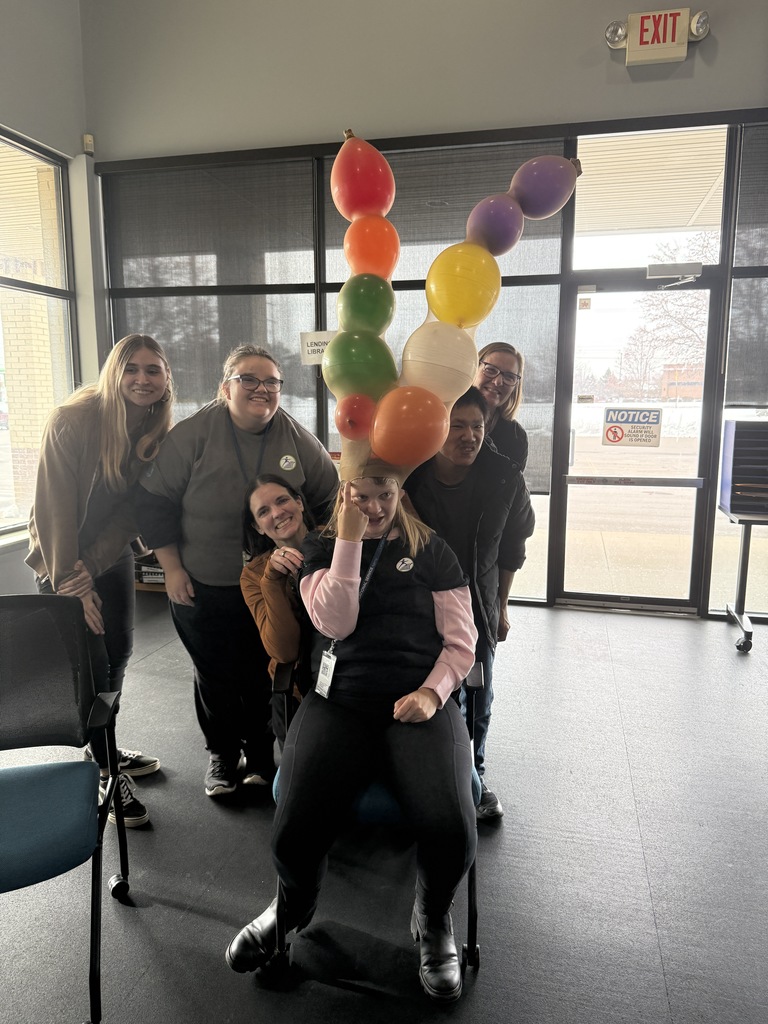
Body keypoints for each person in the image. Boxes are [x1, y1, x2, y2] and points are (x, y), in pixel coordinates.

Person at [225, 475, 478, 1003]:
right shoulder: (320, 546)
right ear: (343, 497)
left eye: (385, 493)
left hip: (418, 703)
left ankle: (432, 919)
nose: (375, 506)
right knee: (292, 825)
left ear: (401, 492)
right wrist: (348, 540)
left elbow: (461, 643)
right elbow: (336, 623)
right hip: (338, 702)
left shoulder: (431, 548)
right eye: (360, 495)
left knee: (450, 822)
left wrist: (432, 694)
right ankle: (292, 905)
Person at [136, 344, 338, 798]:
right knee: (215, 672)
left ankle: (263, 755)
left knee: (264, 670)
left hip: (275, 584)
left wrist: (315, 556)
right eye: (248, 379)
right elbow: (152, 502)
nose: (261, 389)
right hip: (202, 581)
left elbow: (328, 498)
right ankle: (223, 755)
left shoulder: (296, 438)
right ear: (224, 387)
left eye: (271, 382)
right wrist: (170, 568)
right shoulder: (193, 435)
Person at [26, 333, 173, 827]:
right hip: (60, 558)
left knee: (119, 653)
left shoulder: (155, 428)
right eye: (132, 368)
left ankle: (103, 746)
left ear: (166, 379)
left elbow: (132, 512)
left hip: (106, 558)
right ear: (114, 371)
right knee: (90, 665)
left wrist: (96, 564)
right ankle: (106, 771)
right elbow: (54, 508)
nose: (142, 378)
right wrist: (74, 581)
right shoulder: (74, 419)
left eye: (153, 370)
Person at [406, 387, 535, 820]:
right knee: (430, 693)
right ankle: (430, 777)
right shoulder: (410, 477)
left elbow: (514, 546)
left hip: (477, 608)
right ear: (436, 427)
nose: (469, 436)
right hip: (421, 611)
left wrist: (501, 607)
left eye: (477, 426)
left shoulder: (504, 477)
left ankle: (474, 779)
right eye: (456, 425)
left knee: (477, 699)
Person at [240, 474, 315, 754]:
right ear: (257, 527)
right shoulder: (254, 575)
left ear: (299, 502)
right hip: (297, 688)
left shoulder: (339, 543)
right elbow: (284, 652)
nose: (277, 513)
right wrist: (272, 580)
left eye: (282, 500)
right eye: (264, 511)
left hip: (351, 676)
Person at [474, 341, 528, 470]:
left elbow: (513, 488)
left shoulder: (516, 436)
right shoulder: (445, 420)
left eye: (509, 377)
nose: (497, 382)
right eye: (491, 370)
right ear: (473, 368)